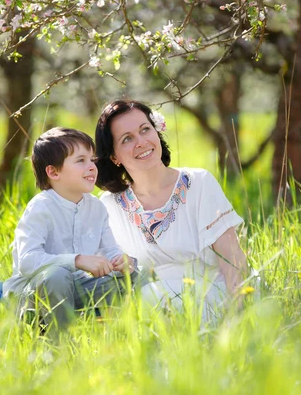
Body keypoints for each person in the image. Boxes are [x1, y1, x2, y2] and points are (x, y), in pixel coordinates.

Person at [95, 100, 248, 321]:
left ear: (157, 132)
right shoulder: (109, 205)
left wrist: (237, 317)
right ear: (114, 157)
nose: (141, 142)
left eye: (145, 130)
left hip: (212, 297)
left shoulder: (198, 183)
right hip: (149, 307)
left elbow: (233, 259)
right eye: (127, 139)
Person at [3, 127, 137, 333]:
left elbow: (109, 249)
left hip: (77, 287)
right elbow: (27, 262)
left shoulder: (96, 207)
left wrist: (122, 260)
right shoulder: (40, 208)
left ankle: (118, 334)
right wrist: (77, 260)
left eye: (92, 160)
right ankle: (57, 344)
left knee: (135, 275)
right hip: (34, 295)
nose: (92, 166)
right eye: (81, 160)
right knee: (56, 276)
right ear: (53, 172)